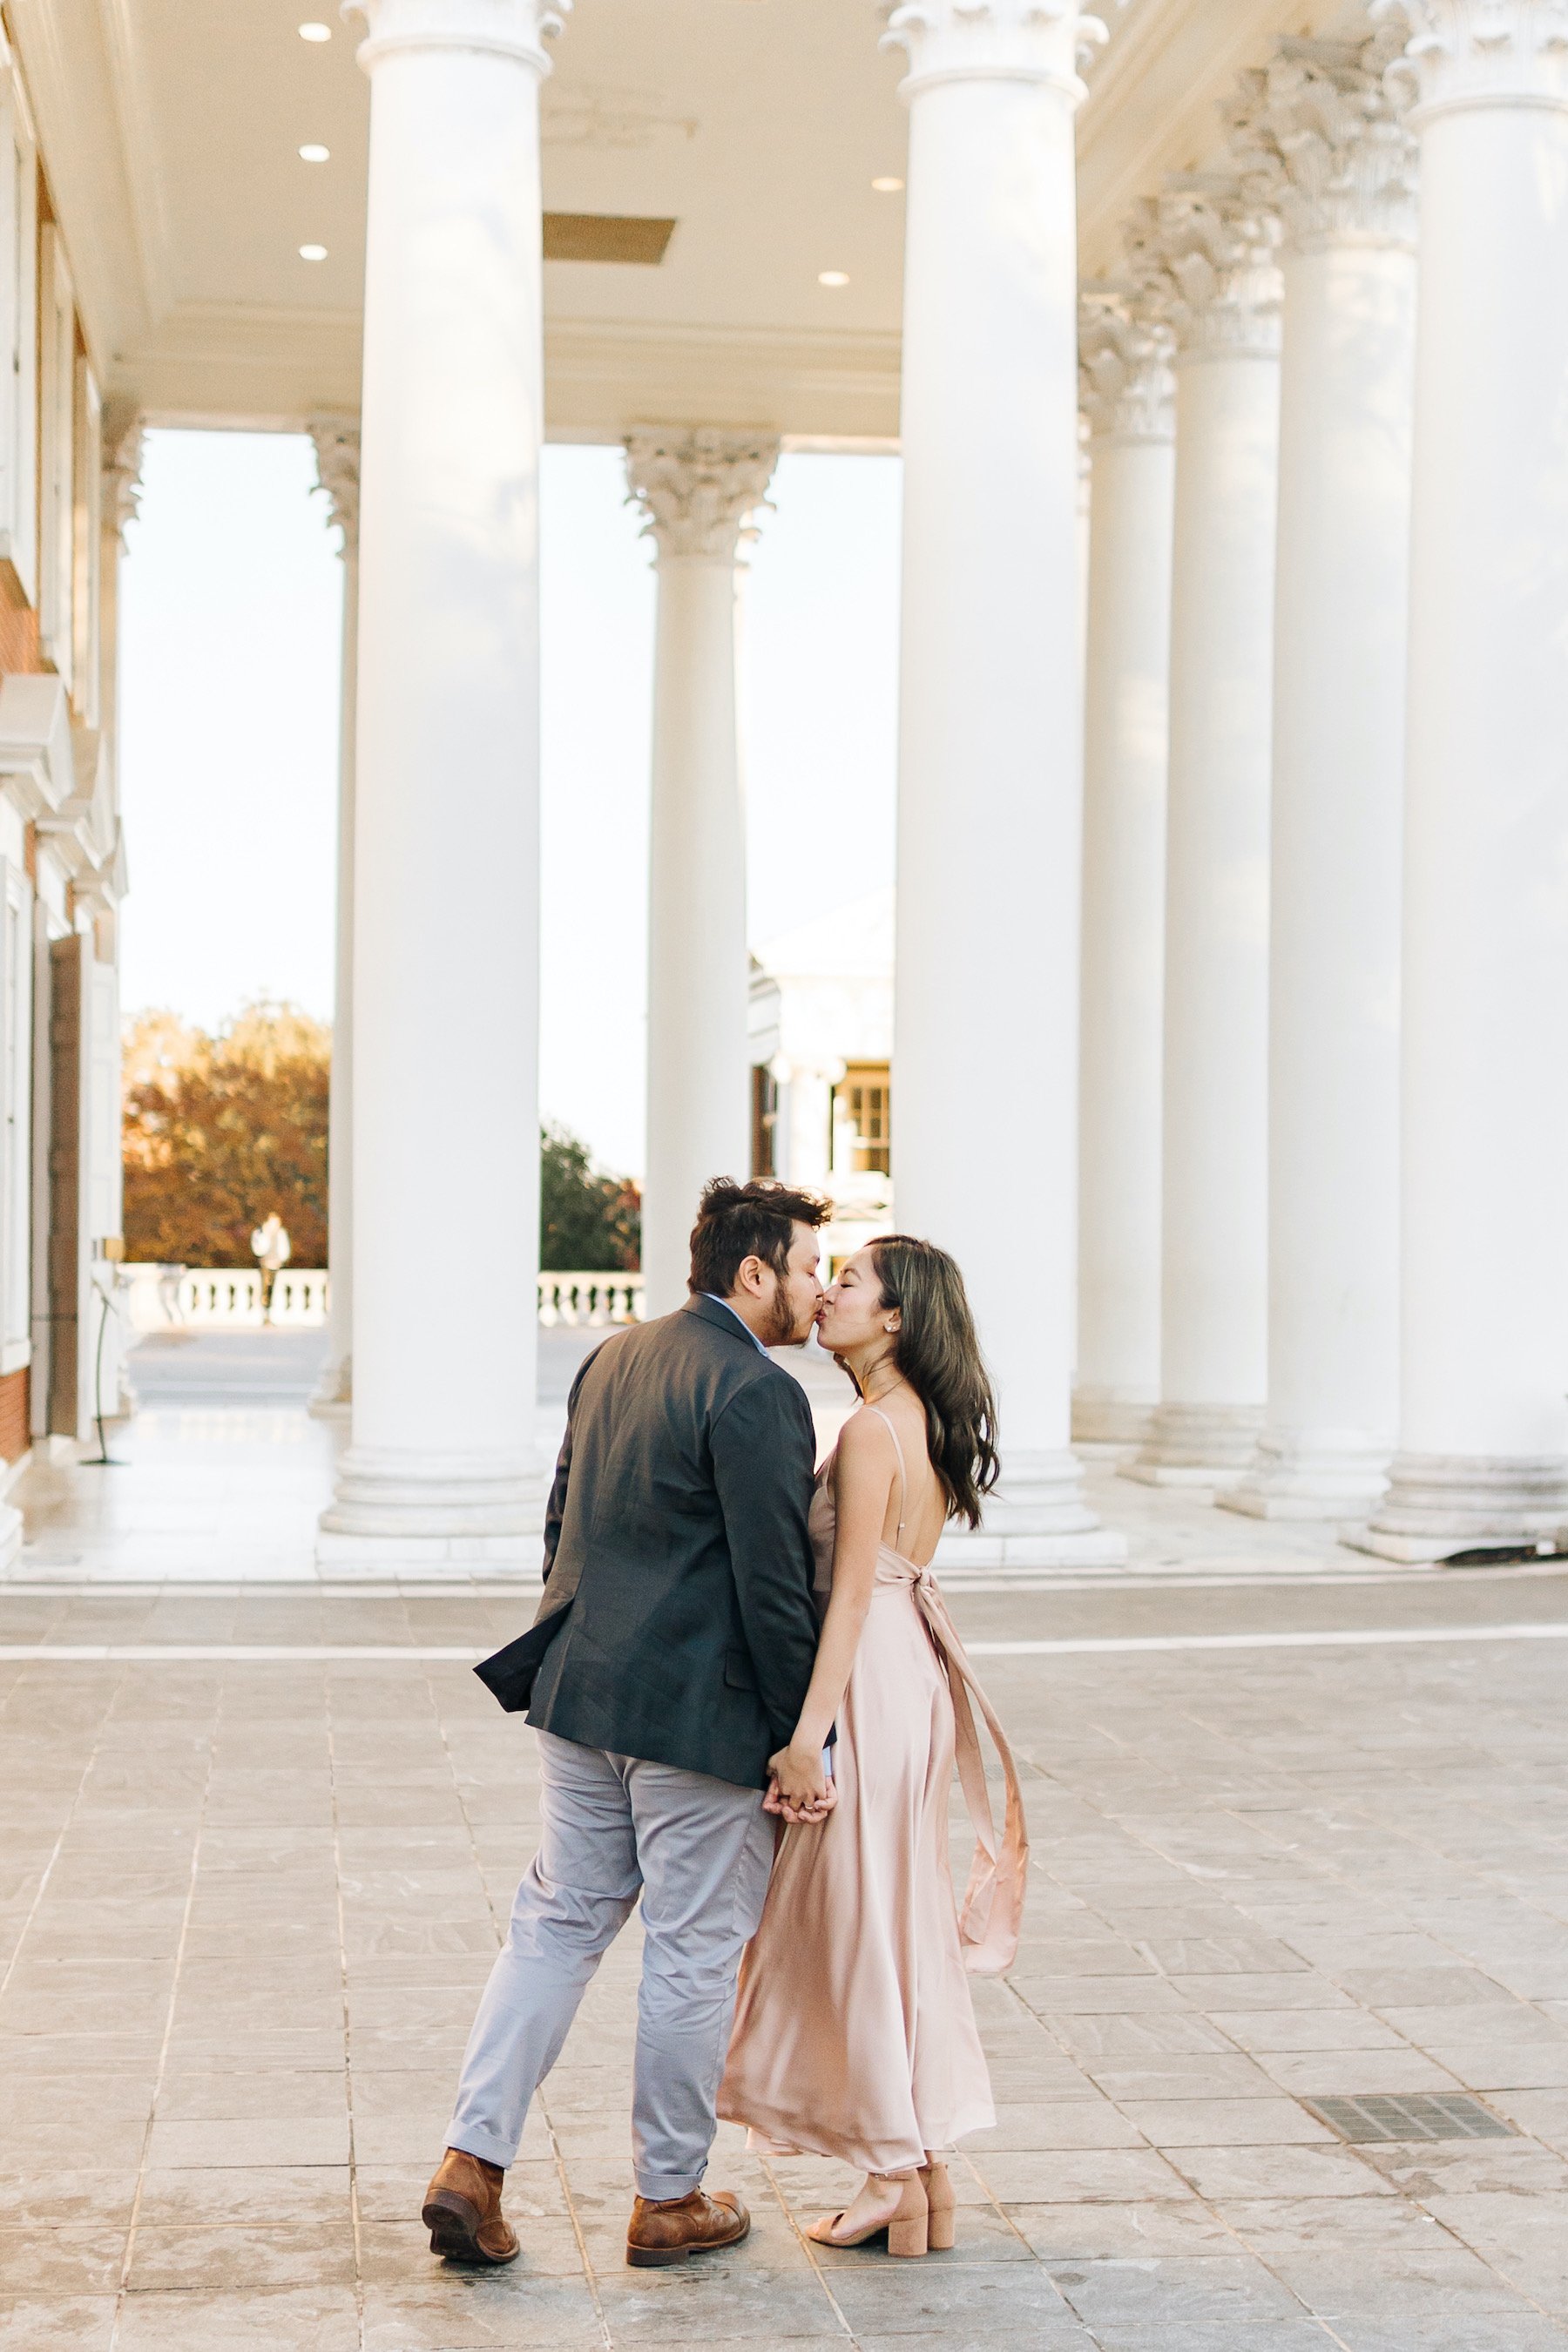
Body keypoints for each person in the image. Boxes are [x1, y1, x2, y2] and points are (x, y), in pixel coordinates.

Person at [422, 1178, 834, 2271]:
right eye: (803, 1269)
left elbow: (560, 1521)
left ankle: (473, 2163)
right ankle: (670, 2197)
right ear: (752, 1272)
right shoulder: (757, 1392)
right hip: (698, 1723)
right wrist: (806, 1737)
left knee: (554, 1928)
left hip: (580, 1697)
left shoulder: (612, 1356)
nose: (814, 1290)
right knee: (694, 1952)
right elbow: (776, 1591)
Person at [719, 1236, 1029, 2259]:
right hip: (914, 1679)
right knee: (896, 1920)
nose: (828, 1293)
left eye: (848, 1281)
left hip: (871, 1680)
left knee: (850, 1925)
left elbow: (847, 1596)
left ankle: (893, 2167)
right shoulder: (923, 1423)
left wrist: (807, 1739)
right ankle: (923, 2171)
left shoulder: (865, 1432)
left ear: (895, 1318)